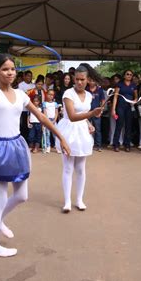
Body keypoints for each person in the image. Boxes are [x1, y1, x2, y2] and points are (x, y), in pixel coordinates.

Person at [0, 32, 69, 257]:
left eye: (12, 69)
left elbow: (43, 117)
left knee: (22, 196)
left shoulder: (21, 95)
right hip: (0, 149)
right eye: (5, 69)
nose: (10, 72)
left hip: (18, 147)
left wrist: (61, 137)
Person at [56, 63, 102, 213]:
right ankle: (67, 201)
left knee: (81, 168)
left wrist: (89, 123)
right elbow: (72, 116)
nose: (79, 82)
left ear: (88, 79)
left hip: (82, 133)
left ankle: (79, 200)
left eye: (82, 79)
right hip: (68, 131)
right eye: (77, 79)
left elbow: (83, 116)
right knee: (68, 168)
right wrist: (91, 115)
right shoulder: (68, 94)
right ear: (73, 79)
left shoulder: (89, 95)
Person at [112, 69, 137, 152]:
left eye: (130, 74)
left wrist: (134, 101)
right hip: (120, 107)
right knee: (119, 125)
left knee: (128, 126)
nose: (129, 75)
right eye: (127, 74)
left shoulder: (134, 85)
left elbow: (136, 97)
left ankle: (127, 145)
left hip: (129, 107)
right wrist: (113, 109)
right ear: (124, 75)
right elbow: (115, 97)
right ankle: (116, 144)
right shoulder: (119, 84)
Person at [86, 78, 105, 152]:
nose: (92, 82)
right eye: (90, 80)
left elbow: (103, 101)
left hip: (97, 112)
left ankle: (98, 145)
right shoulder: (86, 89)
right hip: (88, 112)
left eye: (93, 80)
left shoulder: (99, 90)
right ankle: (88, 145)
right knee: (87, 129)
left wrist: (101, 110)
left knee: (97, 129)